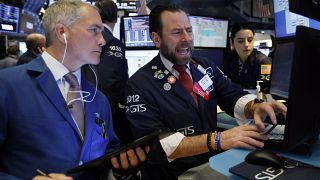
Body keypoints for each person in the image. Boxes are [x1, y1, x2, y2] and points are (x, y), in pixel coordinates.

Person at [125, 5, 287, 180]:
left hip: (211, 165)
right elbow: (156, 145)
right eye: (176, 32)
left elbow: (232, 94)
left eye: (189, 30)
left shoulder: (203, 66)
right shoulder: (139, 84)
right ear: (156, 39)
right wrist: (217, 140)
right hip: (172, 174)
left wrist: (255, 107)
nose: (186, 38)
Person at [0, 1, 147, 179]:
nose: (102, 40)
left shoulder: (98, 99)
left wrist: (118, 171)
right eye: (94, 30)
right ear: (62, 33)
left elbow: (109, 153)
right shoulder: (8, 86)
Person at [83, 0, 132, 145]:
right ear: (117, 17)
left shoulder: (86, 39)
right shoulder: (113, 43)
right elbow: (110, 81)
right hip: (109, 112)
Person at [223, 23, 272, 92]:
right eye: (240, 41)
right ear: (232, 42)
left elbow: (264, 90)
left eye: (250, 40)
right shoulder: (230, 58)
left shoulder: (264, 62)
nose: (246, 44)